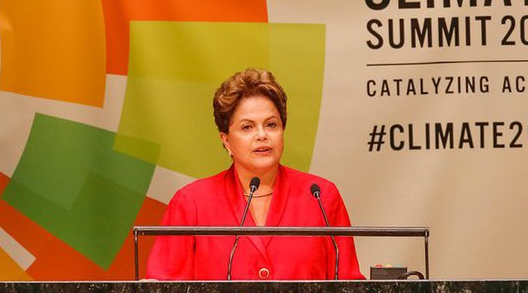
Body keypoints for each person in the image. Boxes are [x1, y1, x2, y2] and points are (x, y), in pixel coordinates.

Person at [146, 68, 365, 280]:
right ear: (226, 141)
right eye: (247, 127)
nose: (262, 135)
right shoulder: (191, 203)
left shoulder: (321, 197)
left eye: (271, 125)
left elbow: (350, 292)